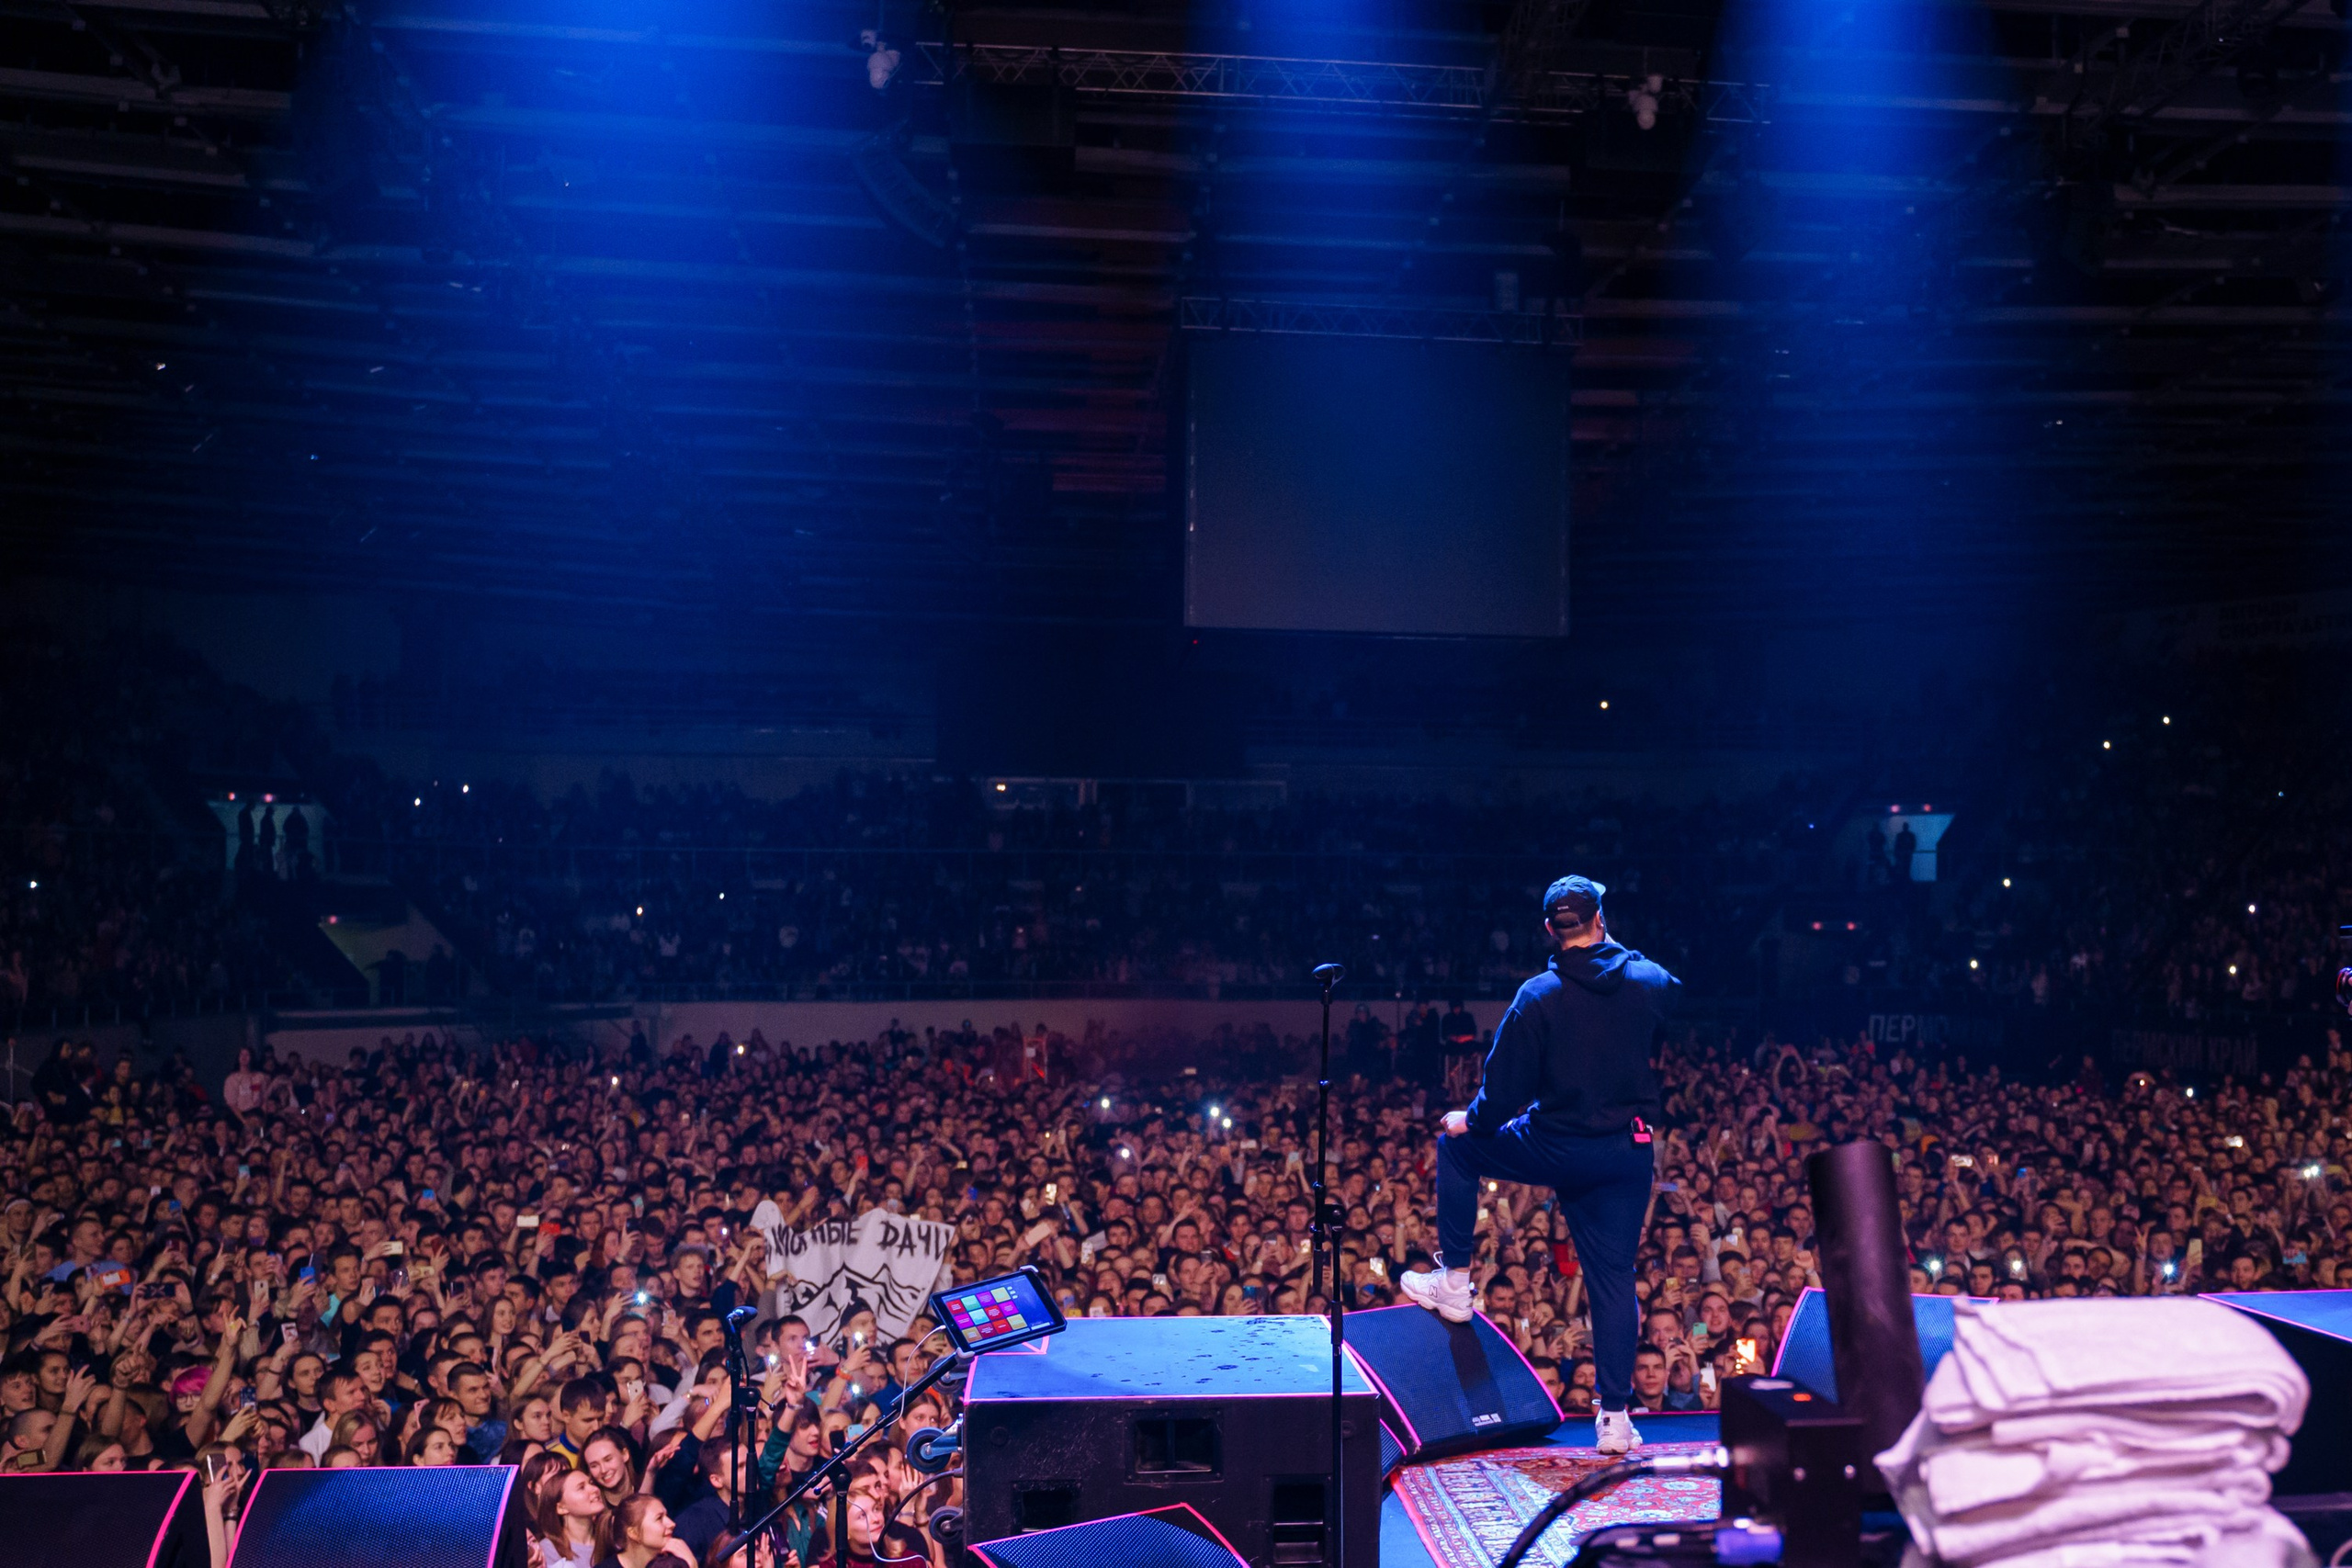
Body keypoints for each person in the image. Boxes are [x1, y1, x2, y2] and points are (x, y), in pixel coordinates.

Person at [1400, 875, 1678, 1456]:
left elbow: (1500, 1095)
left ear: (1549, 930)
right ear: (1603, 917)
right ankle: (1617, 1418)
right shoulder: (1647, 980)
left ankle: (1453, 1281)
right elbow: (1669, 999)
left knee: (1456, 1145)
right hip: (1627, 1151)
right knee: (1612, 1278)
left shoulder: (1538, 995)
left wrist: (1469, 1120)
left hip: (1559, 1142)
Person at [596, 1495, 695, 1568]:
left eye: (666, 1516)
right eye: (659, 1518)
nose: (672, 1524)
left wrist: (692, 1565)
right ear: (634, 1533)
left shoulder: (675, 1562)